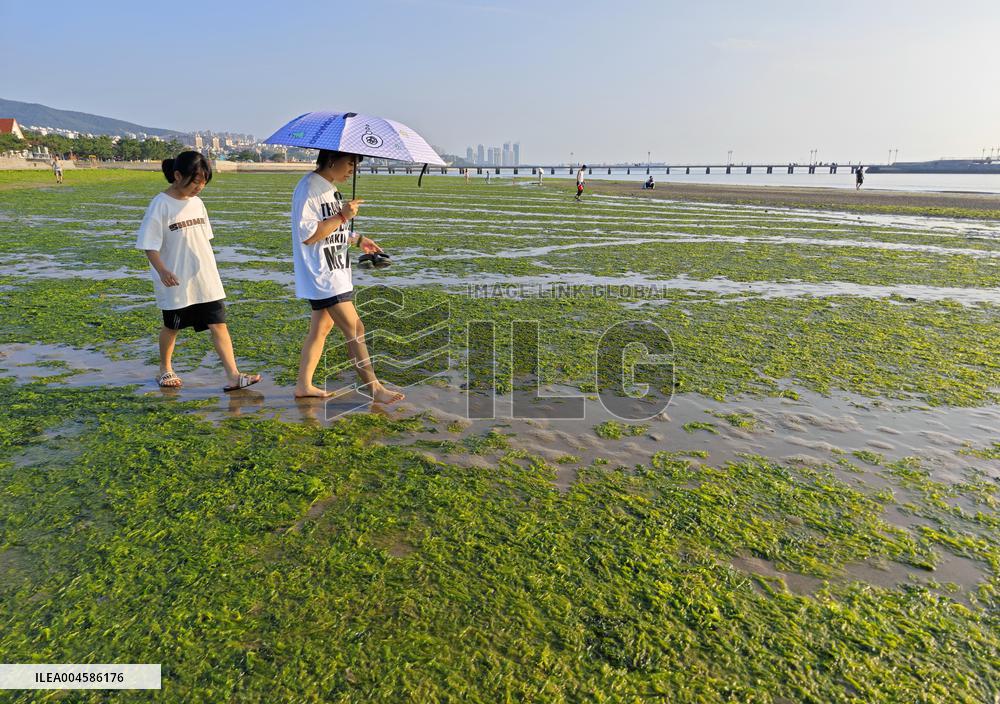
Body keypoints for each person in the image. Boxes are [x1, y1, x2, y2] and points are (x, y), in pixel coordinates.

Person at [135, 151, 261, 392]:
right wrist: (162, 271)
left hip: (205, 278)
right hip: (175, 279)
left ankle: (233, 375)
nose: (199, 187)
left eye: (204, 181)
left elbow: (203, 241)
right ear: (177, 175)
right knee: (172, 326)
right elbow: (149, 245)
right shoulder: (160, 204)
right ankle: (165, 369)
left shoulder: (198, 203)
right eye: (195, 181)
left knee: (219, 324)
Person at [291, 148, 405, 404]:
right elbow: (309, 235)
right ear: (332, 160)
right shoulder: (309, 188)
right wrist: (342, 215)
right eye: (350, 163)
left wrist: (359, 239)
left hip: (336, 269)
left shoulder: (329, 189)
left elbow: (332, 230)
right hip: (323, 273)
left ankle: (303, 385)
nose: (353, 169)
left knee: (321, 328)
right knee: (356, 329)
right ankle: (375, 388)